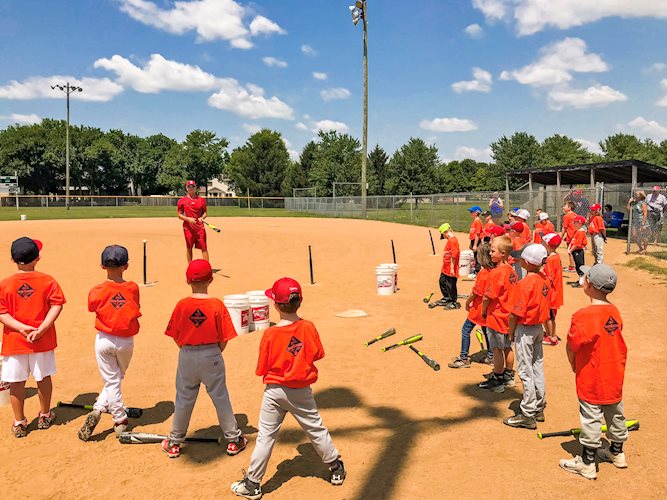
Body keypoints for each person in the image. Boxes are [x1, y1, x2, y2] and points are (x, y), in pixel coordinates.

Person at [231, 277, 345, 499]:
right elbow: (318, 354)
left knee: (266, 436)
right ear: (300, 302)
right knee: (315, 428)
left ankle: (253, 483)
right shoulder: (308, 327)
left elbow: (261, 368)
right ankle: (335, 467)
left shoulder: (271, 334)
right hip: (301, 390)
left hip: (274, 390)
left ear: (276, 305)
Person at [161, 259, 247, 459]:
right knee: (220, 396)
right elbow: (225, 337)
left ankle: (174, 442)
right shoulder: (216, 304)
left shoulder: (182, 305)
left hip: (187, 354)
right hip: (212, 353)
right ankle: (233, 440)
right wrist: (214, 353)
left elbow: (175, 335)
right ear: (211, 280)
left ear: (187, 280)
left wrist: (187, 351)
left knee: (184, 398)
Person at [559, 264, 627, 480]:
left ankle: (587, 462)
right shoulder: (613, 311)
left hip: (592, 373)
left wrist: (572, 364)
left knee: (590, 416)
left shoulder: (582, 316)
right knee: (615, 412)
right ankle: (617, 453)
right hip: (614, 371)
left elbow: (572, 346)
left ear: (588, 285)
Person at [0, 237, 65, 438]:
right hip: (41, 341)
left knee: (16, 382)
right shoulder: (47, 280)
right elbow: (57, 304)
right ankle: (45, 415)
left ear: (13, 260)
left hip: (15, 341)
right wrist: (43, 328)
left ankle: (19, 422)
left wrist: (20, 328)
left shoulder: (5, 284)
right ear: (37, 258)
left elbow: (2, 312)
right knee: (43, 378)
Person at [78, 245, 141, 441]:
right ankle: (119, 419)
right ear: (126, 266)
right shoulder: (132, 287)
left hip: (104, 339)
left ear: (102, 266)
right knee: (116, 378)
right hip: (126, 341)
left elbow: (91, 307)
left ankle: (99, 409)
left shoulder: (97, 289)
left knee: (112, 380)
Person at [503, 244, 550, 429]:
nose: (520, 260)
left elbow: (515, 313)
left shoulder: (524, 284)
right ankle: (539, 406)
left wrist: (510, 331)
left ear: (528, 262)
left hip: (525, 329)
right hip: (538, 327)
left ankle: (528, 413)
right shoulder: (544, 279)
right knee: (537, 367)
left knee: (525, 371)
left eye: (522, 258)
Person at [479, 236, 518, 393]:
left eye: (493, 251)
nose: (490, 253)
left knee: (496, 349)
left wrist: (483, 310)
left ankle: (498, 379)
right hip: (509, 316)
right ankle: (508, 376)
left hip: (497, 315)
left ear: (502, 253)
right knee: (508, 347)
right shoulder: (511, 270)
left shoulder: (496, 273)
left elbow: (488, 296)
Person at [448, 243, 494, 369]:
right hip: (489, 309)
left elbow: (476, 292)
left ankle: (463, 358)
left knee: (466, 330)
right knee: (486, 331)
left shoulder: (483, 273)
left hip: (478, 308)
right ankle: (491, 356)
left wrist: (468, 302)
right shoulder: (494, 271)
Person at [177, 180, 209, 263]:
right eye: (189, 187)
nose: (191, 189)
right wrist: (188, 219)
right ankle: (190, 267)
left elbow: (205, 213)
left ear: (195, 188)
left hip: (199, 227)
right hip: (188, 227)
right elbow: (179, 215)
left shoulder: (201, 200)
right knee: (189, 247)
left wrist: (202, 217)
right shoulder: (182, 201)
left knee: (204, 247)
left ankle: (207, 267)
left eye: (193, 187)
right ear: (186, 188)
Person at [541, 233, 563, 347]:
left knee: (548, 316)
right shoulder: (554, 257)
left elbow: (549, 277)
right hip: (553, 291)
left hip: (551, 292)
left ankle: (552, 337)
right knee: (548, 315)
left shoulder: (551, 259)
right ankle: (549, 334)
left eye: (543, 243)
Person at [436, 223, 460, 309]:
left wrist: (452, 268)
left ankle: (453, 301)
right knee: (442, 282)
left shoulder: (453, 241)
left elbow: (454, 255)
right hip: (445, 267)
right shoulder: (450, 240)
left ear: (445, 232)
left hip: (450, 268)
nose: (444, 237)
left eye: (443, 235)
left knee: (451, 285)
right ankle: (447, 298)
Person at [567, 216, 588, 288]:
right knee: (578, 266)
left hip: (578, 251)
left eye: (576, 222)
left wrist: (570, 250)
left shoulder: (581, 232)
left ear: (580, 223)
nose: (574, 223)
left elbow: (577, 244)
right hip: (576, 250)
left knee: (580, 266)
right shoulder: (578, 231)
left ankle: (582, 282)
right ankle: (580, 280)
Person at [561, 202, 577, 272]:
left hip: (571, 236)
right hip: (576, 235)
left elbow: (564, 228)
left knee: (569, 251)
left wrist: (561, 237)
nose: (563, 207)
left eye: (565, 206)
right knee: (574, 251)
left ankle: (572, 267)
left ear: (569, 208)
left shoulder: (566, 216)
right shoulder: (575, 215)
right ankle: (575, 265)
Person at [468, 206, 483, 277]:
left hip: (476, 240)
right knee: (475, 255)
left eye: (471, 212)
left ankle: (477, 271)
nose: (470, 213)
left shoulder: (478, 222)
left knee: (477, 256)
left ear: (476, 213)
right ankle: (476, 270)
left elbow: (478, 234)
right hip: (473, 240)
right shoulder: (475, 221)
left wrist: (475, 245)